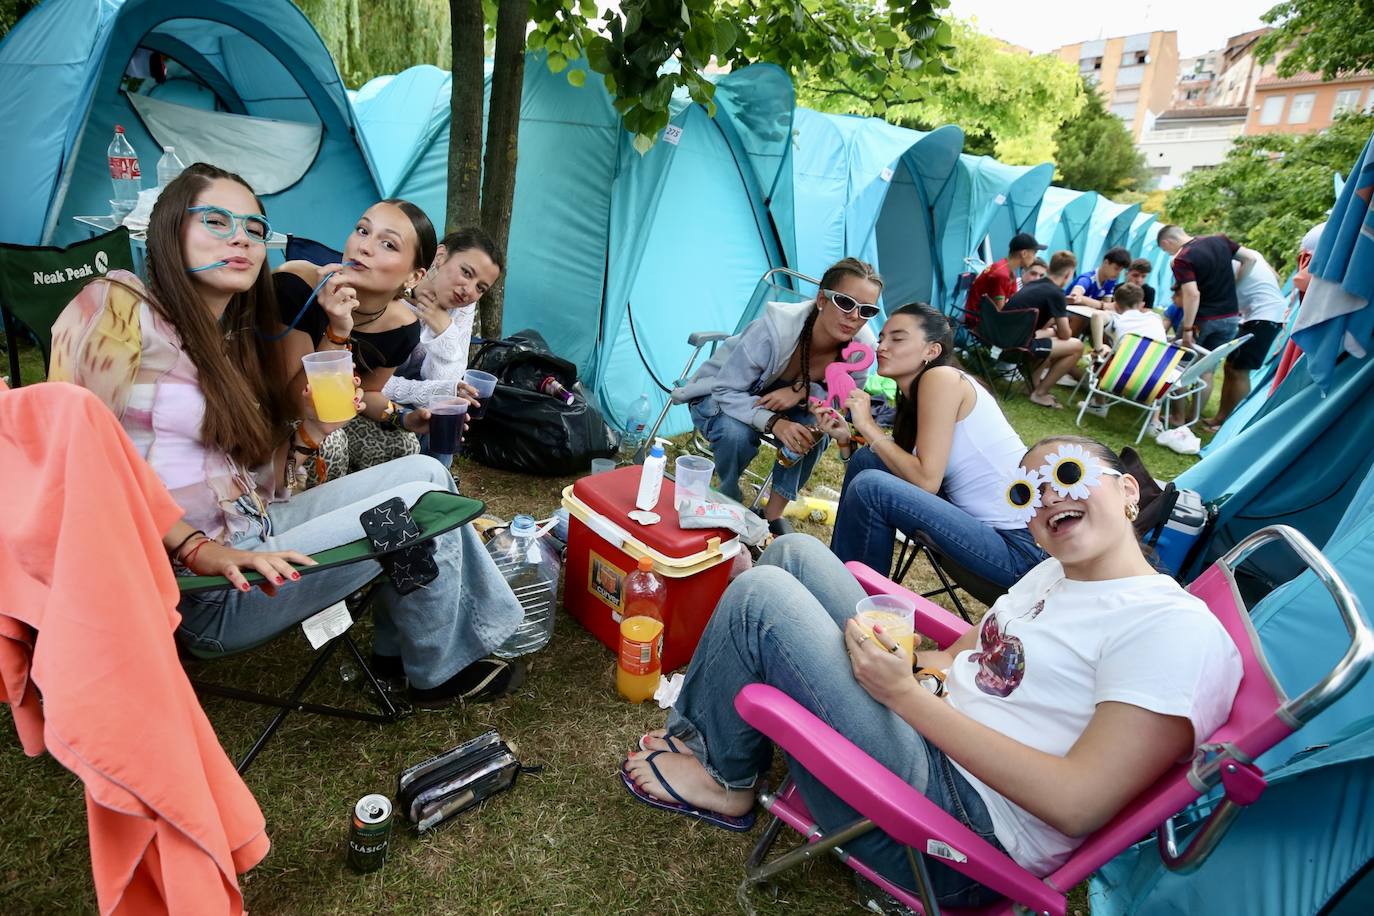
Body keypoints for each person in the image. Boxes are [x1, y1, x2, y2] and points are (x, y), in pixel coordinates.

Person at [621, 437, 1243, 908]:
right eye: (1029, 492)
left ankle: (724, 780)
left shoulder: (1171, 630)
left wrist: (908, 698)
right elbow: (974, 648)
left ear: (1130, 491)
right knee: (795, 552)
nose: (1050, 496)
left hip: (950, 835)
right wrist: (923, 670)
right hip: (929, 733)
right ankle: (704, 743)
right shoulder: (1056, 571)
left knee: (761, 597)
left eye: (1069, 475)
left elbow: (1075, 804)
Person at [49, 163, 525, 706]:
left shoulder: (221, 343)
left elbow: (265, 473)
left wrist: (311, 434)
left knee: (428, 472)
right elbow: (72, 460)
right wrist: (193, 547)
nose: (241, 239)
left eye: (254, 228)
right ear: (168, 230)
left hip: (259, 526)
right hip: (210, 591)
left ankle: (408, 650)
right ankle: (438, 665)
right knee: (419, 504)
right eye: (216, 221)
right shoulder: (117, 305)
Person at [818, 303, 1044, 588]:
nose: (882, 347)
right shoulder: (916, 394)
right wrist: (845, 442)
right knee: (868, 460)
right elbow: (901, 470)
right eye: (881, 338)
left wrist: (868, 426)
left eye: (897, 339)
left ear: (932, 351)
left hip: (1019, 550)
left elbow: (925, 481)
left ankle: (849, 594)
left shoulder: (942, 379)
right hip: (979, 530)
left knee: (871, 485)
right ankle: (838, 579)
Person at [674, 258, 880, 528]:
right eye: (845, 302)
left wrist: (802, 391)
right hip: (724, 394)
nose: (854, 316)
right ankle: (729, 491)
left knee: (816, 431)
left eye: (866, 310)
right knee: (736, 433)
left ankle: (772, 516)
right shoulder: (773, 331)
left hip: (784, 403)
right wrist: (774, 422)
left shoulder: (860, 350)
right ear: (821, 299)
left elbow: (840, 403)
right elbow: (726, 388)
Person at [276, 199, 456, 485]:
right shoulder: (298, 286)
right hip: (271, 410)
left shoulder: (401, 328)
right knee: (330, 447)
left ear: (415, 276)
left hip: (333, 417)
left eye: (388, 244)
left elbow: (369, 393)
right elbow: (292, 402)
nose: (365, 246)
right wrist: (337, 332)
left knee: (405, 446)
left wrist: (408, 419)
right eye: (362, 230)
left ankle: (368, 521)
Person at [381, 227, 504, 468]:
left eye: (481, 288)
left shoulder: (462, 306)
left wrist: (443, 330)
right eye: (466, 273)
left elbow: (444, 379)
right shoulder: (392, 292)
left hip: (415, 406)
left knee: (447, 413)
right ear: (440, 256)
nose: (469, 290)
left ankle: (435, 492)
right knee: (441, 407)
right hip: (372, 401)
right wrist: (436, 393)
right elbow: (370, 383)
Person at [1203, 247, 1288, 430]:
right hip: (1257, 315)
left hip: (1265, 317)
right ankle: (1221, 417)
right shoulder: (1250, 254)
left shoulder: (1230, 261)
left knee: (1240, 370)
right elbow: (1277, 276)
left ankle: (1228, 423)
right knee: (1230, 366)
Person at [1156, 224, 1258, 350]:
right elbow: (1250, 259)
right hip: (1230, 317)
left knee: (1180, 364)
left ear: (1167, 243)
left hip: (1202, 319)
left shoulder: (1183, 258)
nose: (1170, 254)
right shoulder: (1220, 240)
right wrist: (1235, 285)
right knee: (1206, 367)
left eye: (1166, 251)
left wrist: (1187, 329)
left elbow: (1192, 294)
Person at [1008, 250, 1085, 409]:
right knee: (1077, 346)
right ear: (1068, 274)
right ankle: (1040, 394)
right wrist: (1058, 328)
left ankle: (1030, 386)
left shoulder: (1035, 284)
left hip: (1002, 335)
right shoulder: (1056, 293)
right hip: (1018, 344)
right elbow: (1065, 334)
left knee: (1050, 337)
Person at [964, 232, 1046, 330]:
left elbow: (1013, 302)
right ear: (1024, 253)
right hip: (980, 323)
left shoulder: (1007, 269)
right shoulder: (1002, 275)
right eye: (1034, 253)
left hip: (985, 318)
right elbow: (1000, 313)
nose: (1034, 258)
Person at [1067, 246, 1131, 311]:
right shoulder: (1087, 279)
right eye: (1116, 269)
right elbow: (1074, 296)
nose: (1118, 274)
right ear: (1106, 262)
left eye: (1121, 270)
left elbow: (1107, 307)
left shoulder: (1110, 282)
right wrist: (1102, 305)